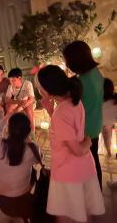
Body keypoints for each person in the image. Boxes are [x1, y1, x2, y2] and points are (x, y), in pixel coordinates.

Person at [37, 65, 105, 223]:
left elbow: (77, 149)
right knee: (83, 210)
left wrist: (89, 139)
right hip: (83, 168)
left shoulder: (61, 112)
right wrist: (50, 110)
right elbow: (66, 132)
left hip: (68, 172)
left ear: (46, 90)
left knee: (67, 215)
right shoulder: (74, 101)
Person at [63, 40, 104, 188]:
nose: (67, 64)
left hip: (85, 129)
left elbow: (70, 107)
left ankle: (93, 195)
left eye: (67, 60)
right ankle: (96, 192)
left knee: (88, 164)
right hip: (95, 123)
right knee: (94, 160)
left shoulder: (82, 82)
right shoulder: (96, 73)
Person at [0, 112, 39, 222]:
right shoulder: (32, 149)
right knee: (33, 173)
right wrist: (29, 140)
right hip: (22, 200)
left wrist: (7, 116)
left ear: (8, 129)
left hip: (0, 200)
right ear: (28, 131)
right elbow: (39, 159)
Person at [102, 78, 117, 157]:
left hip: (101, 123)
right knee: (107, 134)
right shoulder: (114, 100)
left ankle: (108, 152)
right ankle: (108, 151)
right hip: (109, 122)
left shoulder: (99, 100)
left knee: (106, 135)